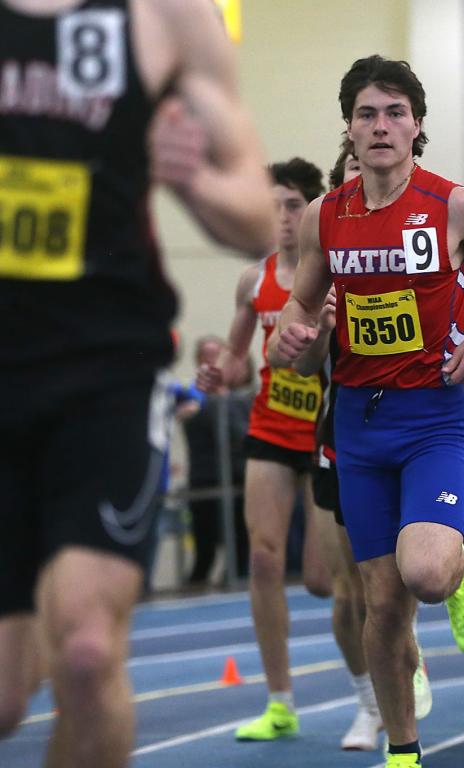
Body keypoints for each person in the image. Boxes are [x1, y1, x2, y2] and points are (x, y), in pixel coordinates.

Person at [0, 1, 274, 766]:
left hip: (105, 376)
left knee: (87, 653)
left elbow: (257, 215)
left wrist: (188, 181)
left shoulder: (166, 15)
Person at [270, 55, 464, 768]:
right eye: (366, 113)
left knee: (423, 574)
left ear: (417, 125)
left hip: (431, 416)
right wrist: (291, 339)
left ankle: (458, 571)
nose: (381, 126)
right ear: (349, 127)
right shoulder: (324, 217)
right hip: (358, 427)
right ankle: (403, 753)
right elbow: (299, 323)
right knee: (382, 604)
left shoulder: (450, 203)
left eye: (395, 112)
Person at [196, 157, 335, 740]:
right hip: (272, 427)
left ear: (312, 211)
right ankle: (280, 700)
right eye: (274, 205)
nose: (281, 217)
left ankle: (391, 659)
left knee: (326, 579)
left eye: (293, 206)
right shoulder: (254, 282)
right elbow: (234, 356)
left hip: (327, 431)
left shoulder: (334, 274)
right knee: (262, 558)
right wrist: (218, 373)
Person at [181, 335, 253, 586]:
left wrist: (225, 400)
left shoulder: (240, 398)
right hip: (205, 482)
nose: (212, 362)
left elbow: (243, 436)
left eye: (217, 355)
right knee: (206, 551)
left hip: (238, 479)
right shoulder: (191, 397)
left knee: (241, 550)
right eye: (206, 356)